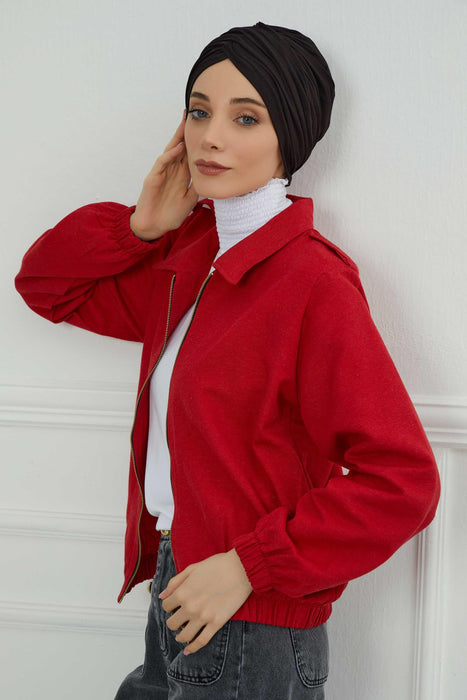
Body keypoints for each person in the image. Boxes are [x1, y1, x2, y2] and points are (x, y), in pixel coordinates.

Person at [15, 21, 440, 700]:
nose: (209, 137)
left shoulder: (311, 282)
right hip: (181, 586)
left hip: (249, 620)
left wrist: (248, 566)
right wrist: (139, 228)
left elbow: (402, 481)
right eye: (198, 111)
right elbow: (46, 286)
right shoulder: (188, 262)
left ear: (289, 135)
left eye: (245, 117)